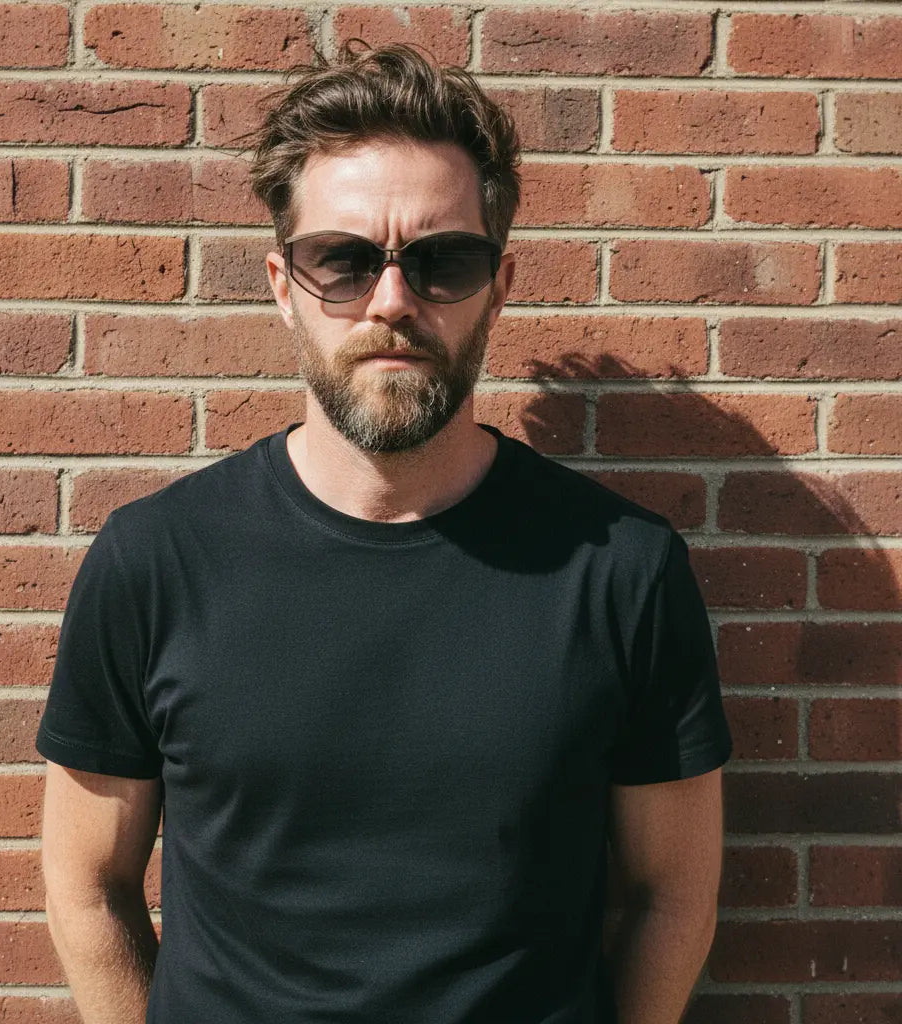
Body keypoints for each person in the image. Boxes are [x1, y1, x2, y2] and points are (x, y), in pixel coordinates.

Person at [37, 42, 732, 1024]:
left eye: (442, 261)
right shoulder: (157, 562)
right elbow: (85, 883)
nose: (393, 301)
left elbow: (672, 894)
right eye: (345, 260)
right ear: (284, 283)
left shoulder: (621, 570)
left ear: (500, 283)